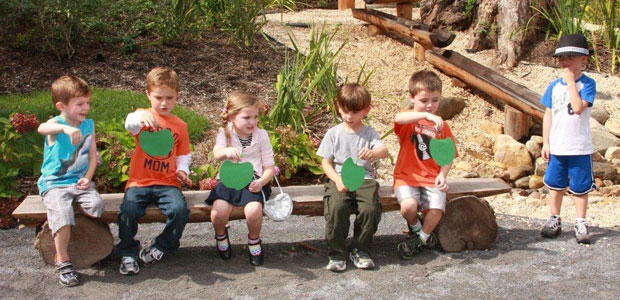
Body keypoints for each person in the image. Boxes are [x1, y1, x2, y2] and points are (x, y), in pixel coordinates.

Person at [117, 67, 192, 275]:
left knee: (179, 211)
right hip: (140, 182)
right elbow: (129, 124)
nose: (164, 103)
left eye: (170, 98)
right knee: (128, 210)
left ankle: (161, 246)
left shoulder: (180, 125)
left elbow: (183, 154)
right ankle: (128, 252)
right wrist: (140, 115)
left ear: (177, 97)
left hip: (168, 183)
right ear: (148, 95)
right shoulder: (142, 118)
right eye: (158, 97)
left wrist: (183, 170)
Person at [37, 75, 104, 286]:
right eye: (80, 104)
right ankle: (62, 258)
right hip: (55, 183)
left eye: (87, 103)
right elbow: (42, 128)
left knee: (97, 207)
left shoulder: (88, 125)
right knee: (63, 215)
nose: (86, 108)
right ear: (62, 106)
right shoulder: (55, 125)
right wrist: (65, 128)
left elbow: (93, 157)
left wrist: (87, 177)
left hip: (78, 181)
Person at [317, 83, 389, 272]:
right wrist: (337, 180)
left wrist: (373, 153)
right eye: (345, 111)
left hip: (364, 179)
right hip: (339, 178)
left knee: (370, 209)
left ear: (366, 110)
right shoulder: (333, 133)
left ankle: (360, 249)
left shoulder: (369, 133)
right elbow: (326, 163)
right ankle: (337, 253)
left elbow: (384, 151)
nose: (349, 116)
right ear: (338, 108)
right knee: (337, 207)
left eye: (355, 112)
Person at [393, 70, 458, 259]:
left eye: (435, 100)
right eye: (424, 100)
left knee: (437, 209)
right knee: (408, 207)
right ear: (412, 98)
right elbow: (398, 118)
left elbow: (448, 156)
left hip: (431, 178)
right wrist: (426, 117)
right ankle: (416, 227)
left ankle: (420, 239)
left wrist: (442, 175)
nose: (430, 106)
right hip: (407, 177)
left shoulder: (442, 126)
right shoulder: (409, 121)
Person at [206, 91, 275, 266]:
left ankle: (254, 240)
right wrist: (226, 152)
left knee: (253, 211)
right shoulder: (226, 133)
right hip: (229, 180)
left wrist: (261, 182)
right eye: (246, 117)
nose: (252, 122)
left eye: (255, 117)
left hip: (254, 181)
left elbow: (269, 167)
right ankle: (221, 236)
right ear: (231, 116)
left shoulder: (262, 135)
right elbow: (217, 153)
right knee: (218, 212)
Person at [540, 33, 596, 244]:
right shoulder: (554, 86)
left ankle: (580, 221)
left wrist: (571, 82)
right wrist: (546, 142)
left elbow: (579, 107)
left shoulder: (587, 84)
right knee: (555, 184)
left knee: (580, 187)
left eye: (571, 57)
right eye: (561, 58)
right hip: (558, 146)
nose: (565, 62)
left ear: (583, 59)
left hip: (579, 146)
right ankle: (554, 217)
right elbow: (549, 113)